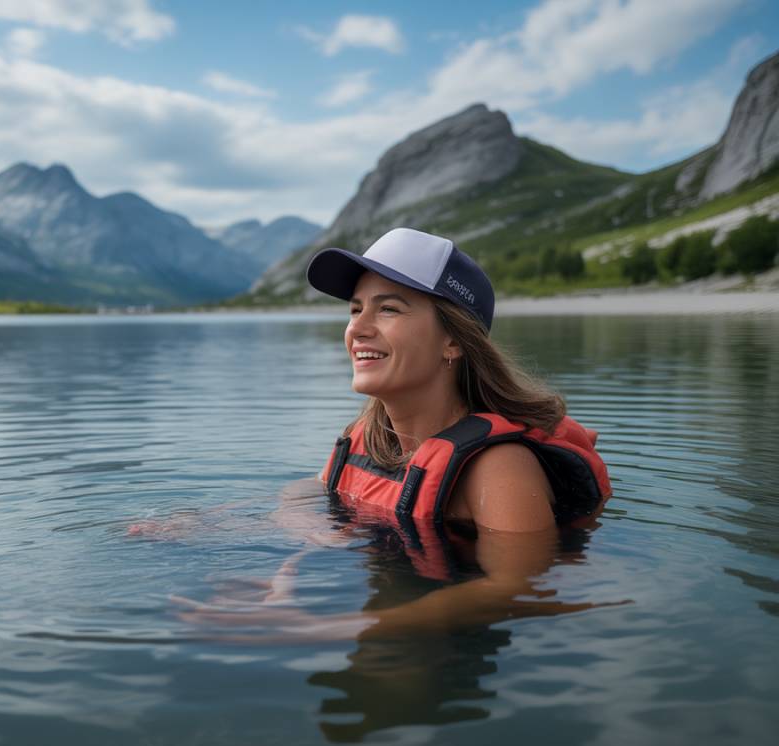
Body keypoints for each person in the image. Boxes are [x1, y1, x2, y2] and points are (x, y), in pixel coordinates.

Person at [173, 228, 617, 641]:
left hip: (450, 652)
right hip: (396, 608)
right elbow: (315, 489)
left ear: (454, 341)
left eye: (388, 308)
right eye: (355, 308)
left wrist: (319, 629)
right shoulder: (368, 435)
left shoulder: (497, 468)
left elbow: (516, 589)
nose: (357, 328)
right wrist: (209, 526)